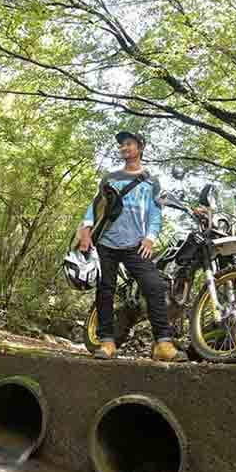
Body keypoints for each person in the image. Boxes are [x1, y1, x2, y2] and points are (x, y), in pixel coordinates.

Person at [77, 131, 186, 362]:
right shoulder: (111, 177)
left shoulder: (151, 181)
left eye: (129, 144)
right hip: (106, 243)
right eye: (122, 145)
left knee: (154, 286)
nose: (124, 148)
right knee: (105, 289)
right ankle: (107, 342)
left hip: (135, 245)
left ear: (140, 147)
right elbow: (95, 206)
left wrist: (150, 237)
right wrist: (85, 231)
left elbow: (155, 214)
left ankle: (163, 344)